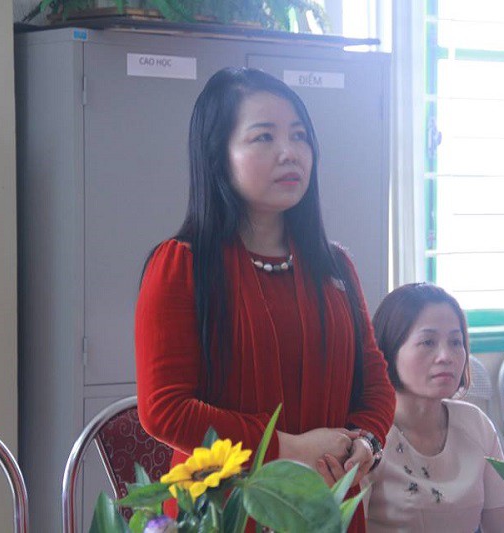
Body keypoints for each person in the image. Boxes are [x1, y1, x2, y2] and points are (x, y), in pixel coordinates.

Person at [134, 67, 396, 529]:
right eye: (263, 137)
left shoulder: (335, 265)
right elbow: (165, 410)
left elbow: (375, 383)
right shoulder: (181, 265)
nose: (289, 152)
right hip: (226, 508)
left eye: (299, 136)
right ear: (218, 155)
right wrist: (286, 448)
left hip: (326, 502)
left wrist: (366, 443)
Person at [362, 283, 504, 532]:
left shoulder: (476, 425)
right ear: (389, 350)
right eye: (428, 342)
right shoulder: (367, 438)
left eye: (456, 342)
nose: (446, 356)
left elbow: (503, 527)